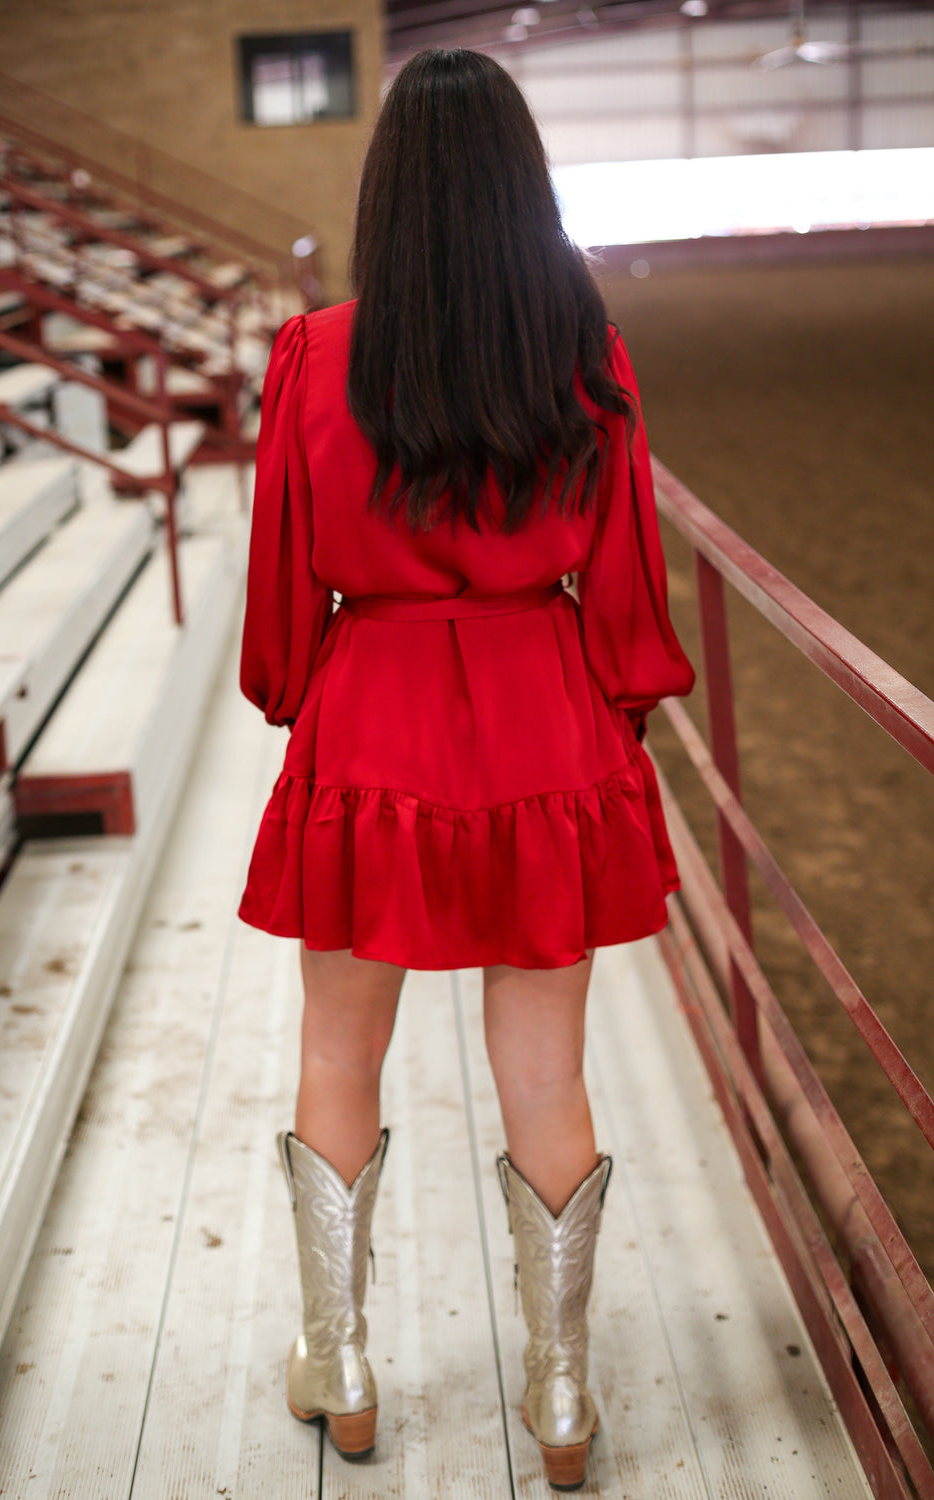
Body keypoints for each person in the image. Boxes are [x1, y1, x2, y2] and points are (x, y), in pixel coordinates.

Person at [238, 47, 695, 1493]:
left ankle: (345, 1361)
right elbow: (625, 590)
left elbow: (277, 601)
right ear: (521, 187)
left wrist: (304, 699)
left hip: (371, 718)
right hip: (544, 717)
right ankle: (561, 1398)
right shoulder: (586, 352)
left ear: (388, 193)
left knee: (334, 1051)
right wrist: (611, 706)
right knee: (549, 1075)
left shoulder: (315, 355)